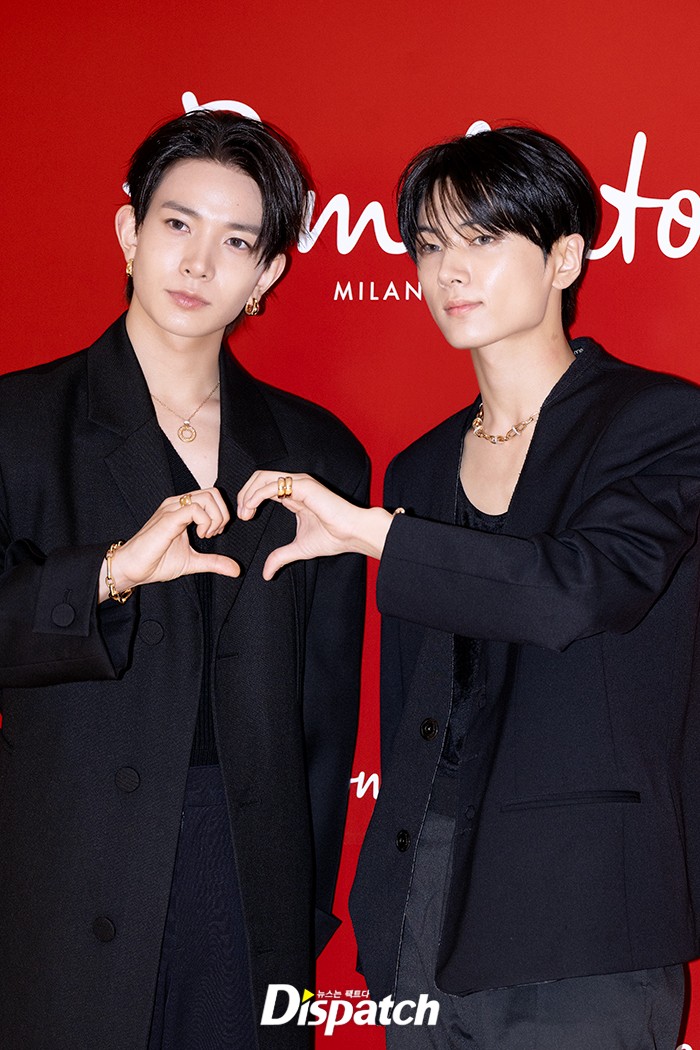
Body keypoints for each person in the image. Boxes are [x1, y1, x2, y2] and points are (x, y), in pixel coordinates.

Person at [238, 125, 700, 1048]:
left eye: (484, 239)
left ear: (564, 257)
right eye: (430, 244)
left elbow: (578, 591)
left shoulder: (660, 423)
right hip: (419, 901)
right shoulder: (418, 468)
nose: (449, 269)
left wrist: (378, 536)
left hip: (581, 918)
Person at [0, 109, 368, 1050]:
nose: (199, 263)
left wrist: (300, 905)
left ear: (267, 274)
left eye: (236, 241)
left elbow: (324, 711)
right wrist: (108, 574)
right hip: (62, 875)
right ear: (129, 232)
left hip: (246, 882)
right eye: (177, 224)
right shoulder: (19, 425)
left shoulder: (318, 454)